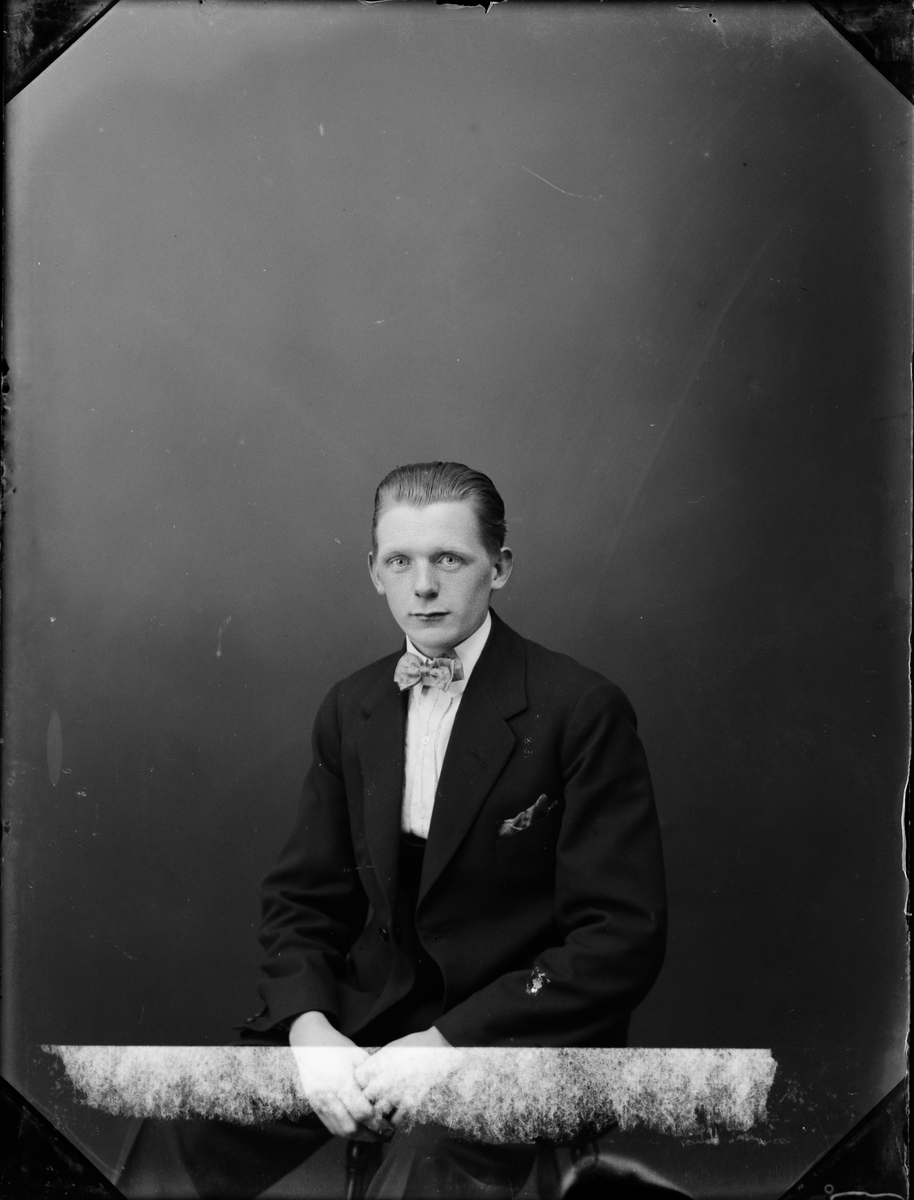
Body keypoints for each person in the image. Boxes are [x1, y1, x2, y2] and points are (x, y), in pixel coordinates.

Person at [119, 461, 666, 1199]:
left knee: (423, 1164)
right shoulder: (353, 706)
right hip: (369, 1018)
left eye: (450, 559)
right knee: (182, 1118)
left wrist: (449, 1045)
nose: (424, 586)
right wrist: (311, 1031)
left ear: (500, 568)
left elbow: (619, 938)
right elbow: (303, 901)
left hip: (517, 1035)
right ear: (374, 572)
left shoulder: (581, 709)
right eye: (400, 561)